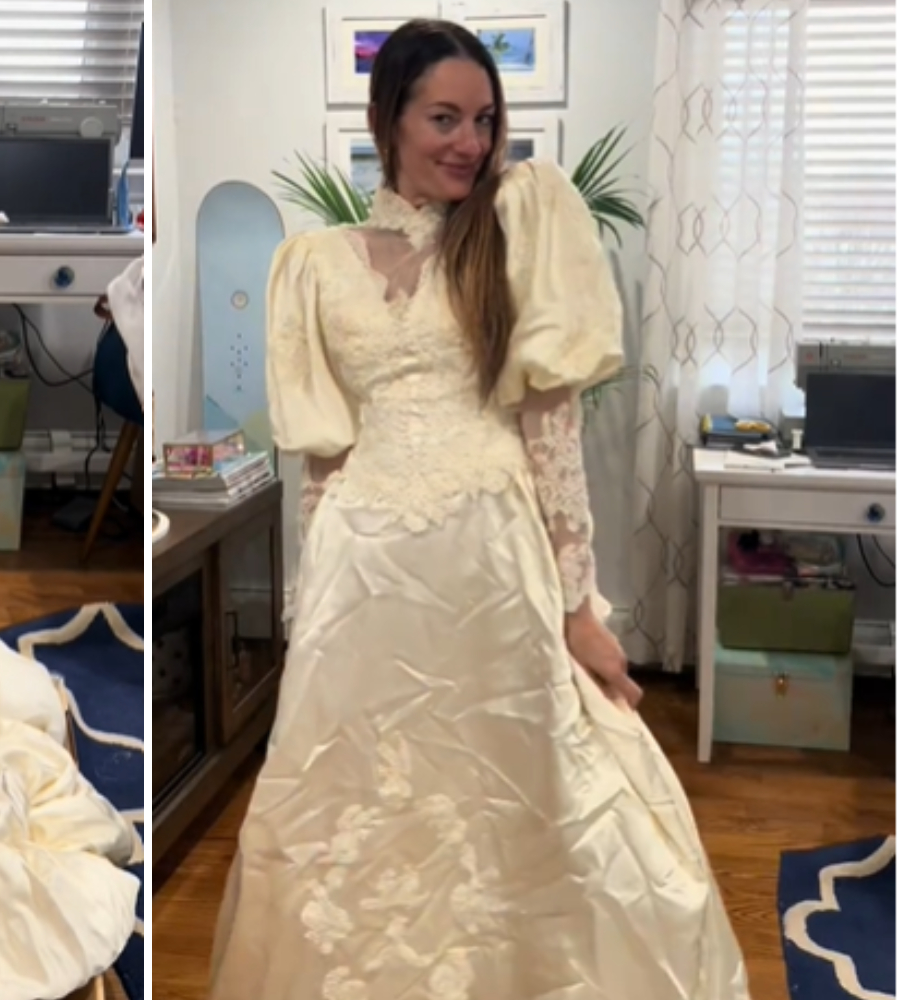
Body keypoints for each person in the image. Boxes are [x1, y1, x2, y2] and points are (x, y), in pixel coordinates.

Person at [208, 21, 750, 1000]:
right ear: (387, 118)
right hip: (364, 572)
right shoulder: (313, 263)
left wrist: (578, 607)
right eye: (445, 118)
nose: (470, 142)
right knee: (358, 796)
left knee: (517, 788)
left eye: (485, 119)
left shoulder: (517, 232)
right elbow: (325, 458)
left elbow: (552, 435)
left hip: (489, 561)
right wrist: (310, 594)